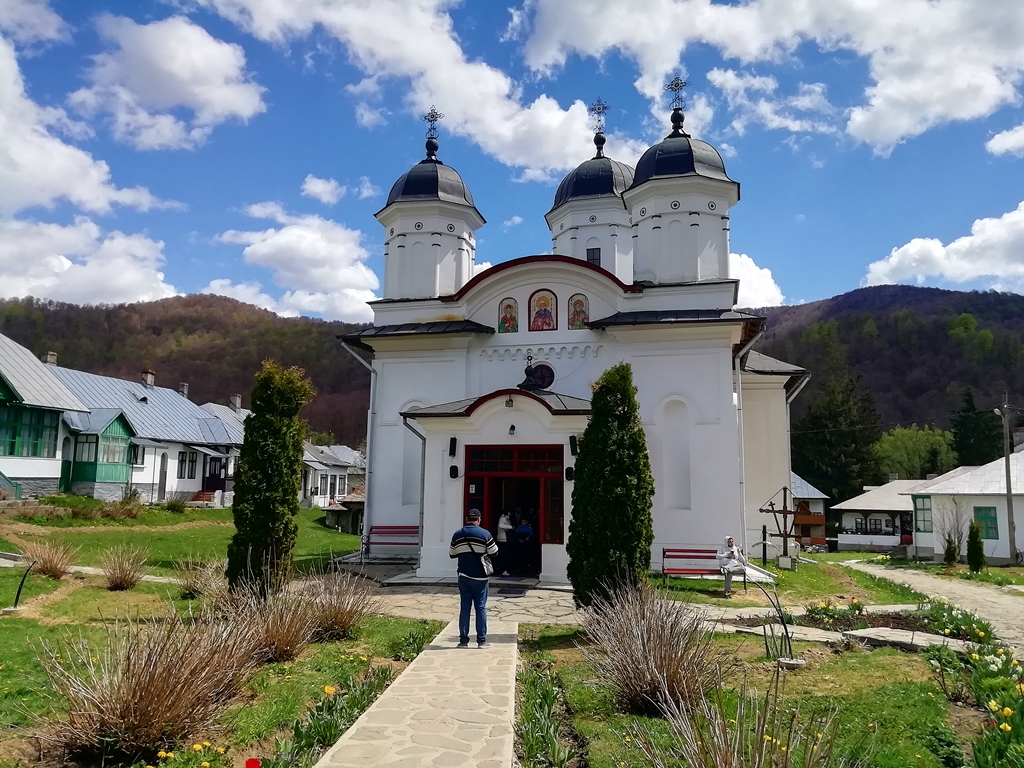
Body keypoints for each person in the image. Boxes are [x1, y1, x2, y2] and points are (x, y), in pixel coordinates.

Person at [449, 508, 498, 647]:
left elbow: (452, 554)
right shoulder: (485, 534)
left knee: (465, 608)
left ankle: (463, 640)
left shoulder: (457, 535)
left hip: (464, 575)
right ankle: (481, 640)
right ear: (478, 520)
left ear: (467, 519)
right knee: (480, 607)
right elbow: (494, 552)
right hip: (481, 578)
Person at [496, 508, 514, 576]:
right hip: (502, 540)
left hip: (505, 539)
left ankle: (504, 569)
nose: (510, 514)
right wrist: (510, 527)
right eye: (509, 512)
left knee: (505, 555)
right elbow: (501, 525)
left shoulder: (506, 519)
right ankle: (503, 570)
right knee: (504, 555)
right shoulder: (503, 518)